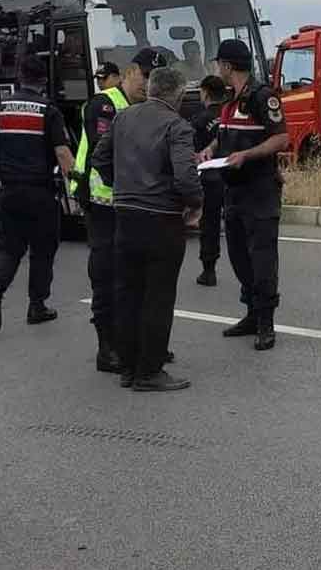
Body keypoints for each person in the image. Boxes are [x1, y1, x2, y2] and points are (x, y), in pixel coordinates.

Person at [90, 67, 203, 391]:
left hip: (125, 216)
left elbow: (99, 157)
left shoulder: (123, 118)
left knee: (128, 292)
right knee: (158, 296)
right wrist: (195, 203)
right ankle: (149, 370)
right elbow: (184, 176)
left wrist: (121, 186)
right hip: (161, 219)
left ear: (151, 89)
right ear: (179, 96)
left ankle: (127, 366)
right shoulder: (176, 125)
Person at [69, 48, 163, 372]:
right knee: (107, 276)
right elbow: (104, 153)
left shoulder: (145, 108)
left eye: (155, 80)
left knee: (137, 276)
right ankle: (106, 348)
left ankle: (136, 342)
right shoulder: (105, 104)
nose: (148, 85)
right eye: (146, 77)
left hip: (132, 205)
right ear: (131, 71)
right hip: (103, 203)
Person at [196, 39, 288, 351]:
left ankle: (266, 322)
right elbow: (224, 138)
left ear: (228, 66)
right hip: (233, 191)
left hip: (260, 190)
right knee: (237, 255)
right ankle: (251, 312)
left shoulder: (263, 97)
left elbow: (281, 139)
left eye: (218, 64)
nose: (216, 69)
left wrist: (247, 155)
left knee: (262, 258)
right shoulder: (228, 101)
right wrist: (210, 150)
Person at [0, 56, 74, 331]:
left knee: (9, 247)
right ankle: (37, 306)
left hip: (10, 192)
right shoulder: (48, 110)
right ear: (43, 81)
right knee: (42, 251)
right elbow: (62, 153)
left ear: (19, 78)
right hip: (40, 193)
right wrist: (77, 183)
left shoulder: (1, 108)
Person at [190, 74, 227, 287]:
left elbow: (192, 150)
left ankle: (208, 270)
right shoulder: (231, 113)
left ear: (205, 92)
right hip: (234, 176)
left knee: (210, 224)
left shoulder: (200, 120)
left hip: (210, 178)